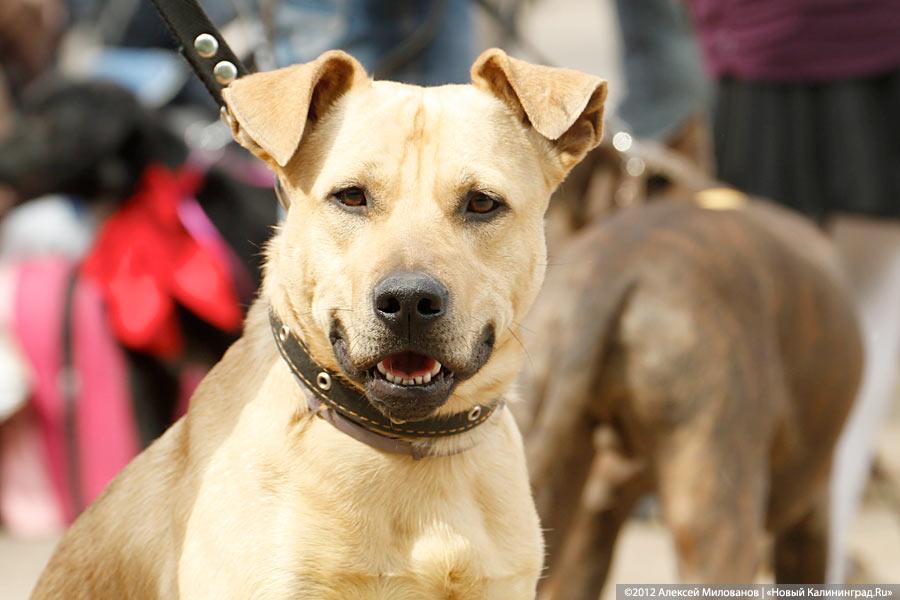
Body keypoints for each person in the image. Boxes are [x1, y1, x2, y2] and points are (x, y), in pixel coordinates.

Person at [684, 0, 900, 582]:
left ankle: (792, 554)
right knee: (855, 316)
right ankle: (814, 561)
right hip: (836, 44)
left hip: (772, 45)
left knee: (769, 326)